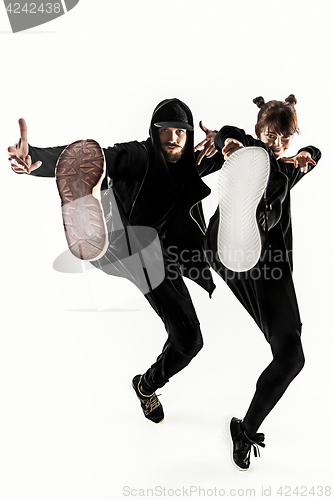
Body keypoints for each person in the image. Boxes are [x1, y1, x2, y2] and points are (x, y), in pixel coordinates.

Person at [8, 98, 223, 424]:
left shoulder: (192, 163)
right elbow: (92, 158)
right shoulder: (137, 155)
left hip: (160, 263)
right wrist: (36, 157)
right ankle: (90, 206)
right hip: (119, 245)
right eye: (166, 130)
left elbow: (238, 155)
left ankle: (146, 386)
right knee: (106, 190)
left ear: (188, 135)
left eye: (181, 132)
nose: (174, 137)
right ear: (154, 132)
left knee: (190, 340)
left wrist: (232, 142)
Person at [206, 95, 321, 471]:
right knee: (262, 164)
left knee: (292, 357)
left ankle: (246, 429)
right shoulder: (251, 148)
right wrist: (229, 144)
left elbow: (314, 153)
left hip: (270, 270)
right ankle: (241, 222)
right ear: (259, 131)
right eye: (271, 134)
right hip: (233, 254)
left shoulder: (288, 167)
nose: (277, 141)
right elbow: (230, 132)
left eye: (284, 138)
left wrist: (307, 154)